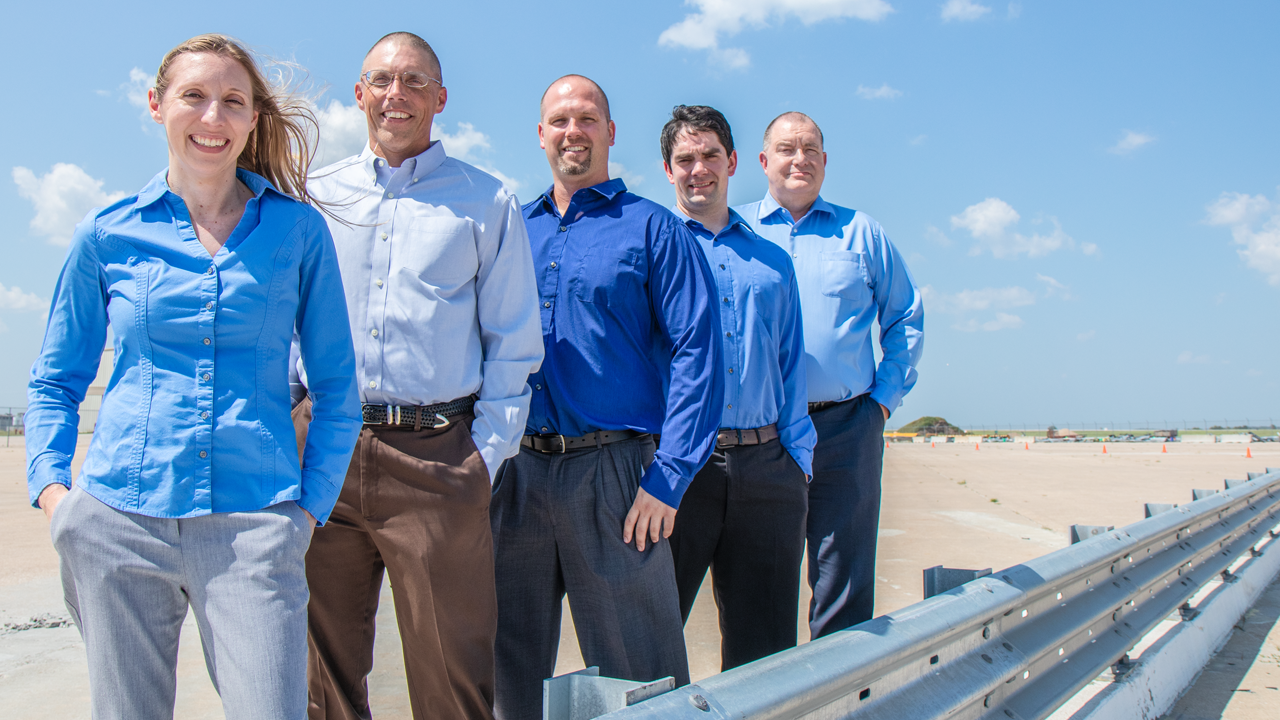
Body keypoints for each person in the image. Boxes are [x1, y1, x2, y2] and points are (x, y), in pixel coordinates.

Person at [25, 33, 361, 719]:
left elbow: (337, 391)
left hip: (255, 522)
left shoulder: (297, 233)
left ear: (253, 120)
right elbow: (55, 379)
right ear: (157, 105)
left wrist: (305, 513)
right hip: (116, 520)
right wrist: (58, 500)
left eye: (232, 101)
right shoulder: (106, 234)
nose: (213, 117)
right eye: (194, 97)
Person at [294, 32, 543, 720]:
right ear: (358, 93)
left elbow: (514, 343)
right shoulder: (316, 196)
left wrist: (481, 460)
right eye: (380, 80)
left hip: (438, 459)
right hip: (326, 453)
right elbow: (288, 322)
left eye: (412, 82)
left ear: (439, 98)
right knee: (322, 677)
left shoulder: (487, 200)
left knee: (451, 677)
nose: (394, 95)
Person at [489, 76, 723, 720]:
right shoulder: (510, 229)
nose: (573, 132)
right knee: (506, 669)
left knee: (639, 675)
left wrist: (669, 477)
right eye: (559, 120)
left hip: (617, 478)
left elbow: (698, 354)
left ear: (610, 132)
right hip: (516, 474)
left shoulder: (654, 229)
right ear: (541, 135)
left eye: (587, 118)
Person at [736, 112, 924, 639]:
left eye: (811, 149)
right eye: (787, 149)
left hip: (845, 429)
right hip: (762, 435)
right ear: (763, 161)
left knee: (843, 580)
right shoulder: (736, 229)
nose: (800, 159)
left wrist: (881, 402)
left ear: (824, 160)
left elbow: (905, 314)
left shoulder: (861, 232)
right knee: (761, 581)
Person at [660, 105, 816, 670]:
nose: (697, 169)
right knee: (651, 641)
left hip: (769, 470)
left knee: (766, 653)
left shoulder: (773, 261)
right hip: (680, 471)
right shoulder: (653, 252)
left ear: (731, 162)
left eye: (708, 156)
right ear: (668, 170)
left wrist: (797, 457)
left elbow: (790, 361)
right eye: (684, 159)